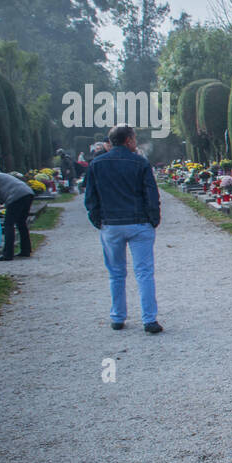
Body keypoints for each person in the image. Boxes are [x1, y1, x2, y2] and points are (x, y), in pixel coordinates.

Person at [83, 123, 162, 333]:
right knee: (144, 272)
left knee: (116, 273)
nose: (136, 142)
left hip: (111, 224)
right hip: (139, 223)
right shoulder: (140, 163)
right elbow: (151, 194)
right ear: (128, 140)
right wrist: (153, 219)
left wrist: (98, 220)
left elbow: (90, 197)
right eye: (134, 138)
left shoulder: (96, 164)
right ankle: (149, 320)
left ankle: (117, 317)